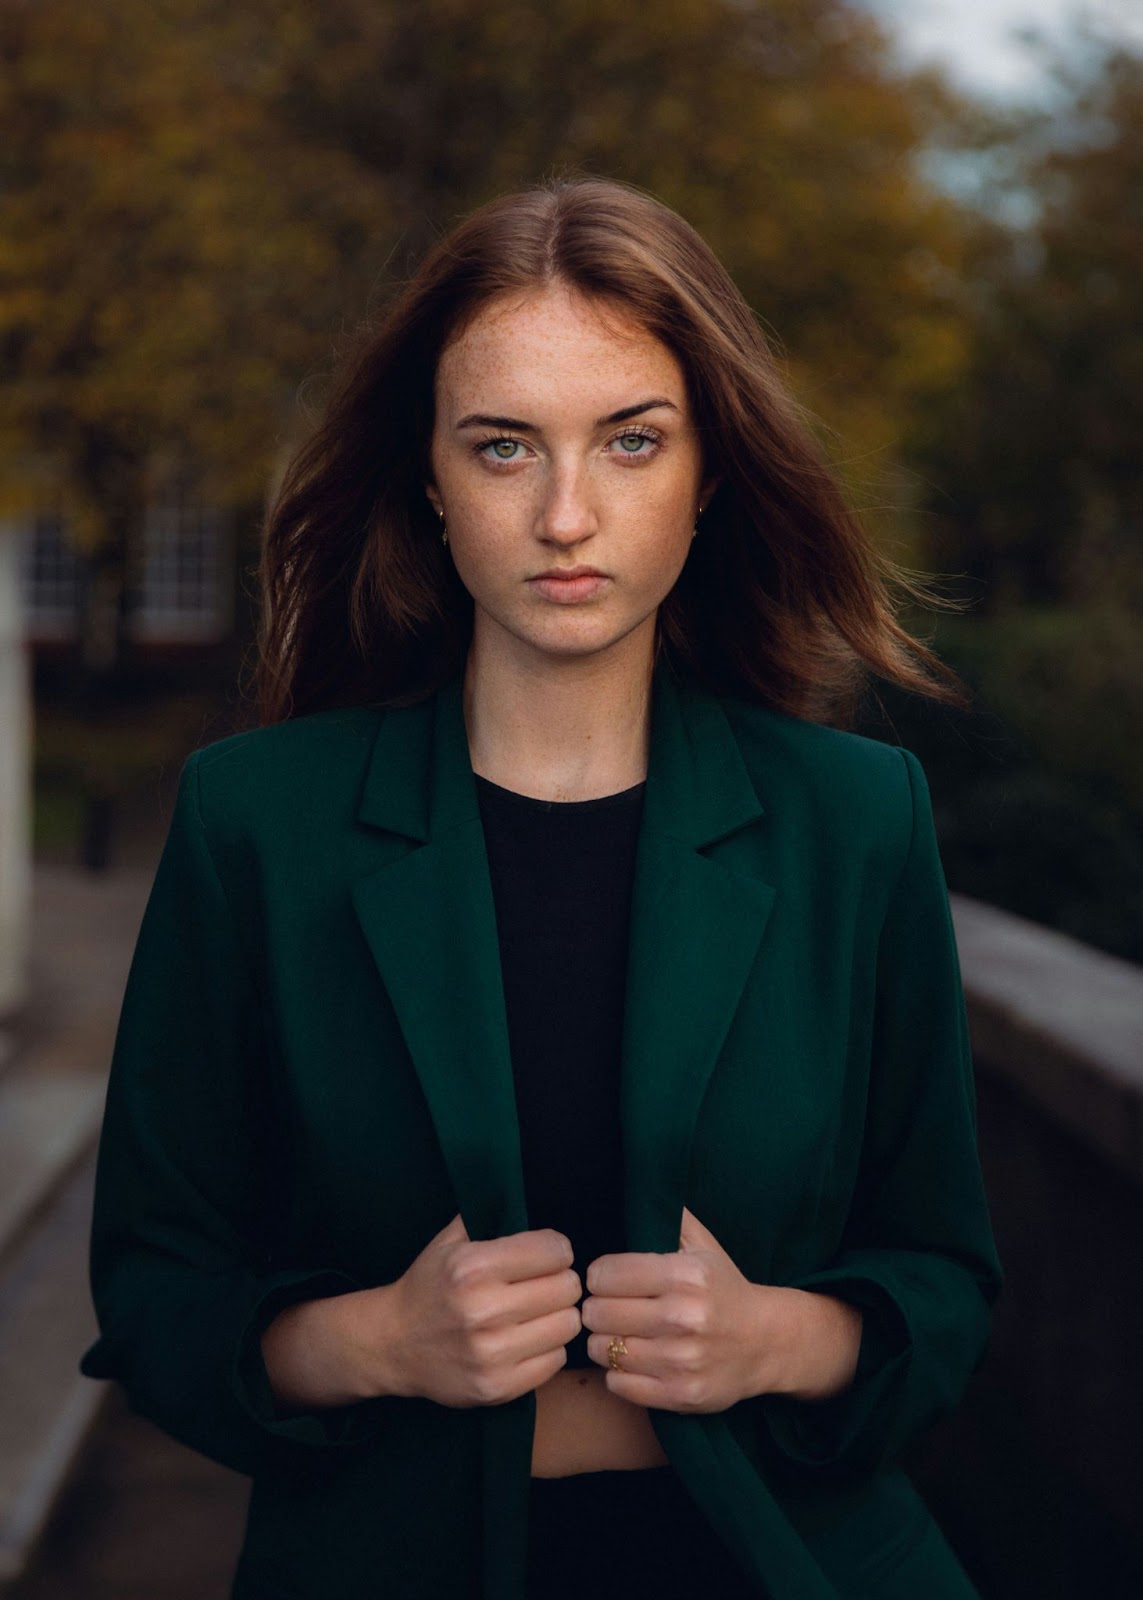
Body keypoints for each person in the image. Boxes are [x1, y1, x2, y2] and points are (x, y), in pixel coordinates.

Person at [79, 174, 1003, 1600]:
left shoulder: (853, 820)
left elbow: (944, 1281)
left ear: (709, 474)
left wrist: (776, 1339)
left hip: (783, 1562)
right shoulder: (257, 823)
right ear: (431, 485)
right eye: (504, 448)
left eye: (631, 442)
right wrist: (375, 1340)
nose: (568, 513)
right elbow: (154, 1290)